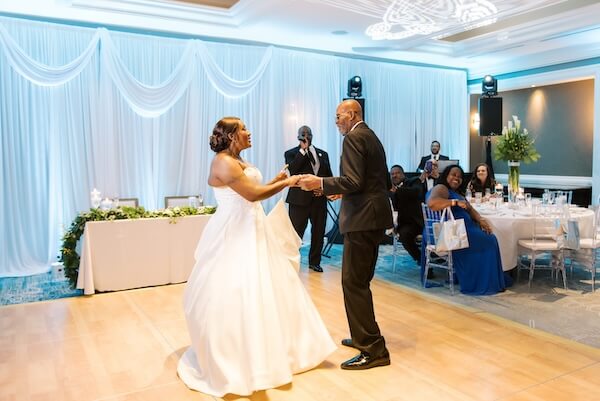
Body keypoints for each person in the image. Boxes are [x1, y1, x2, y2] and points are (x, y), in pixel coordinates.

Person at [178, 117, 336, 397]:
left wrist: (276, 180)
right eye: (243, 129)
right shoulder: (223, 162)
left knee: (269, 288)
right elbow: (251, 195)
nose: (249, 132)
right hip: (234, 231)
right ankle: (238, 358)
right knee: (238, 289)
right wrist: (289, 182)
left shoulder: (238, 159)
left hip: (253, 227)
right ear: (230, 136)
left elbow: (253, 191)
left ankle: (272, 351)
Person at [299, 99, 392, 370]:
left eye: (339, 116)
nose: (336, 121)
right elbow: (376, 181)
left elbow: (354, 181)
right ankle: (362, 336)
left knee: (354, 283)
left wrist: (321, 183)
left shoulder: (353, 138)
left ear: (351, 115)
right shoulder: (370, 136)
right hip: (373, 216)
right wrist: (342, 189)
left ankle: (373, 349)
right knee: (359, 280)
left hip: (362, 219)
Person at [424, 164, 506, 295]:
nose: (457, 178)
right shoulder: (441, 188)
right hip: (450, 233)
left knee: (490, 237)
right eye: (453, 175)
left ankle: (486, 278)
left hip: (460, 229)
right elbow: (432, 203)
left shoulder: (456, 193)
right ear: (446, 176)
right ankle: (480, 281)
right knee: (490, 241)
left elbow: (469, 208)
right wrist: (454, 202)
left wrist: (480, 220)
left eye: (460, 177)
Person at [284, 125, 333, 272]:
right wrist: (303, 150)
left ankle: (315, 262)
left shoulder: (323, 154)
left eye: (308, 134)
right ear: (298, 136)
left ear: (312, 135)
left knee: (318, 232)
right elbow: (293, 170)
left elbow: (328, 176)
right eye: (303, 134)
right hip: (299, 201)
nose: (306, 136)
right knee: (296, 232)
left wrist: (324, 189)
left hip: (319, 200)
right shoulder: (291, 153)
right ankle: (292, 261)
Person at [389, 165, 424, 263]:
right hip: (399, 223)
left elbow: (416, 192)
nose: (394, 176)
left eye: (397, 173)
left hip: (414, 222)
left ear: (403, 174)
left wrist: (397, 191)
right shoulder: (389, 189)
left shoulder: (413, 182)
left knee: (405, 235)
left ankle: (421, 260)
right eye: (392, 174)